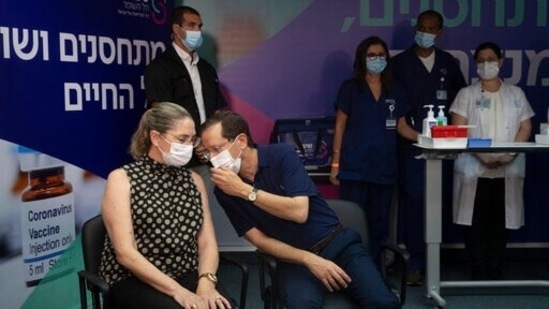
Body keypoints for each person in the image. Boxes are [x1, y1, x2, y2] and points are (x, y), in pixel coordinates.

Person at [200, 110, 399, 309]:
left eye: (217, 149)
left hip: (338, 245)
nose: (213, 159)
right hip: (294, 261)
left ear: (241, 141)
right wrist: (308, 259)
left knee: (381, 302)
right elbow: (259, 240)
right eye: (208, 152)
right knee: (302, 305)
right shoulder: (224, 191)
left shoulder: (281, 155)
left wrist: (244, 190)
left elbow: (299, 212)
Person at [99, 103, 234, 309]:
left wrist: (206, 282)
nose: (189, 146)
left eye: (192, 140)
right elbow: (126, 254)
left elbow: (207, 242)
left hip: (185, 271)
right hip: (134, 277)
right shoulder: (122, 179)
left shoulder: (194, 180)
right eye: (182, 140)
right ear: (155, 138)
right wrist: (179, 292)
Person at [391, 9, 467, 286]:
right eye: (421, 27)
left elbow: (460, 102)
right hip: (411, 146)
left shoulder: (448, 63)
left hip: (444, 147)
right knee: (414, 203)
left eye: (431, 28)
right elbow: (395, 109)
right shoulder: (398, 64)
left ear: (439, 32)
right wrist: (415, 135)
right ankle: (415, 263)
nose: (425, 32)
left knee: (439, 200)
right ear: (416, 29)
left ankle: (435, 261)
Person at [450, 42, 534, 280]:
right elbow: (459, 128)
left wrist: (508, 154)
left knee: (500, 221)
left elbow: (526, 126)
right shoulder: (467, 94)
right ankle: (477, 267)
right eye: (481, 60)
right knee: (474, 221)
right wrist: (484, 155)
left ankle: (496, 267)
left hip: (508, 167)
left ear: (501, 62)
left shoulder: (516, 94)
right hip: (475, 167)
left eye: (491, 59)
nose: (486, 64)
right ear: (476, 64)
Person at [329, 36, 413, 262]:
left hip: (384, 169)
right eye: (371, 55)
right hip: (354, 168)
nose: (377, 59)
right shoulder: (350, 88)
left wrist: (429, 139)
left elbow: (402, 127)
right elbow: (340, 125)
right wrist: (335, 164)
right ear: (362, 59)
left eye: (381, 55)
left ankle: (377, 273)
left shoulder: (394, 89)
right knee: (353, 224)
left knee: (379, 225)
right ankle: (352, 271)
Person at [144, 5, 227, 196]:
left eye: (199, 26)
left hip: (207, 158)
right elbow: (162, 116)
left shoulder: (206, 69)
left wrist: (209, 144)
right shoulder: (159, 68)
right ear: (176, 29)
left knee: (207, 210)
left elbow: (216, 112)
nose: (197, 31)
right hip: (176, 158)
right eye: (191, 25)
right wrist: (193, 143)